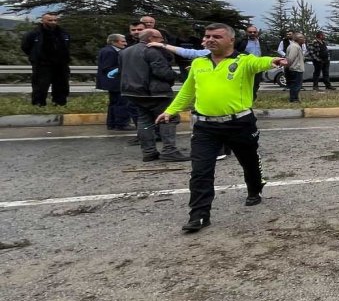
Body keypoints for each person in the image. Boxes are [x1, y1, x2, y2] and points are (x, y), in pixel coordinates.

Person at [157, 23, 289, 232]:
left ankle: (255, 189)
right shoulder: (199, 63)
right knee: (200, 171)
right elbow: (187, 91)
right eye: (207, 36)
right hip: (205, 127)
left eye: (216, 36)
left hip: (240, 124)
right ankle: (199, 215)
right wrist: (170, 111)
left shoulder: (243, 61)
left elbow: (260, 62)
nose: (210, 39)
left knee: (250, 162)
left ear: (230, 40)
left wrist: (274, 61)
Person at [120, 29, 190, 162]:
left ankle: (148, 151)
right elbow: (161, 72)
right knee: (168, 118)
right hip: (155, 92)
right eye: (160, 38)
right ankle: (170, 150)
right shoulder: (153, 51)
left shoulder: (125, 51)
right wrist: (177, 76)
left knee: (144, 121)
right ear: (152, 38)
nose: (162, 41)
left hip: (133, 92)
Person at [20, 13, 72, 107]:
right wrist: (35, 57)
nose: (53, 22)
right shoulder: (34, 34)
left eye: (55, 20)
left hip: (60, 65)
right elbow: (25, 47)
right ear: (43, 20)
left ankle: (59, 103)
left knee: (61, 85)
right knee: (40, 86)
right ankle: (38, 104)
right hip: (42, 65)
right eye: (50, 20)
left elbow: (67, 46)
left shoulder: (64, 33)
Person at [96, 34, 131, 131]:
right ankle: (121, 123)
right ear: (114, 42)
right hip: (115, 82)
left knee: (114, 102)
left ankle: (112, 123)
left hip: (113, 82)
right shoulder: (109, 52)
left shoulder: (109, 50)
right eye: (122, 41)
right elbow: (108, 67)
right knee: (121, 102)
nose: (125, 43)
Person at [235, 25, 265, 98]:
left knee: (256, 84)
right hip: (245, 66)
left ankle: (252, 98)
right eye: (250, 32)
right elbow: (235, 51)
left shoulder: (261, 42)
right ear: (246, 32)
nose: (252, 33)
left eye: (254, 32)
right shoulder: (242, 41)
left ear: (257, 33)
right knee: (245, 83)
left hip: (258, 66)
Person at [284, 33, 306, 102]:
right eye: (303, 38)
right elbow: (290, 58)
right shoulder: (294, 47)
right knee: (296, 85)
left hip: (296, 68)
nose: (304, 39)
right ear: (298, 39)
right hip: (295, 69)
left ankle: (295, 98)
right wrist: (288, 68)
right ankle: (294, 99)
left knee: (296, 85)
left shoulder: (296, 46)